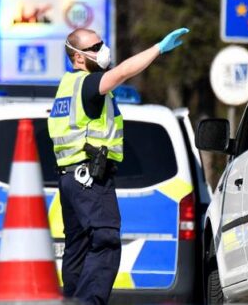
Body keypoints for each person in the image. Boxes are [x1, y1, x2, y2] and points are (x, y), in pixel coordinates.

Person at [47, 27, 189, 305]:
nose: (103, 50)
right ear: (78, 58)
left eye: (102, 43)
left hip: (71, 179)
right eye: (95, 47)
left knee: (78, 248)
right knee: (105, 240)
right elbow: (123, 72)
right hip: (89, 180)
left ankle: (72, 300)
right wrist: (158, 48)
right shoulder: (88, 85)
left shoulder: (66, 87)